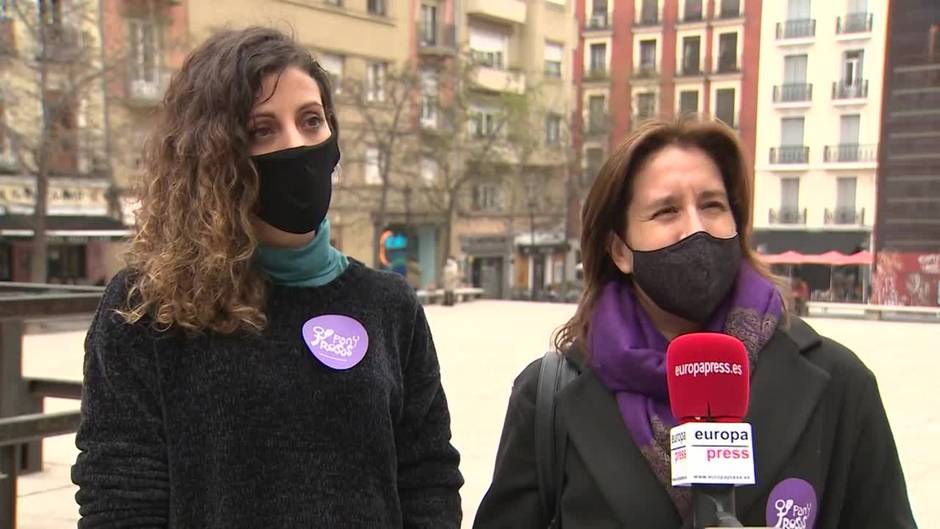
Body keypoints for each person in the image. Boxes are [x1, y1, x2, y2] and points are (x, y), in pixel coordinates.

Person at [72, 27, 462, 528]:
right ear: (214, 156)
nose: (296, 145)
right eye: (262, 129)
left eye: (311, 121)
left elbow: (428, 477)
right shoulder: (148, 306)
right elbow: (119, 497)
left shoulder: (388, 304)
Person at [473, 118, 915, 529]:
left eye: (712, 205)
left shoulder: (840, 383)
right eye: (667, 212)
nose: (696, 229)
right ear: (621, 250)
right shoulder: (549, 396)